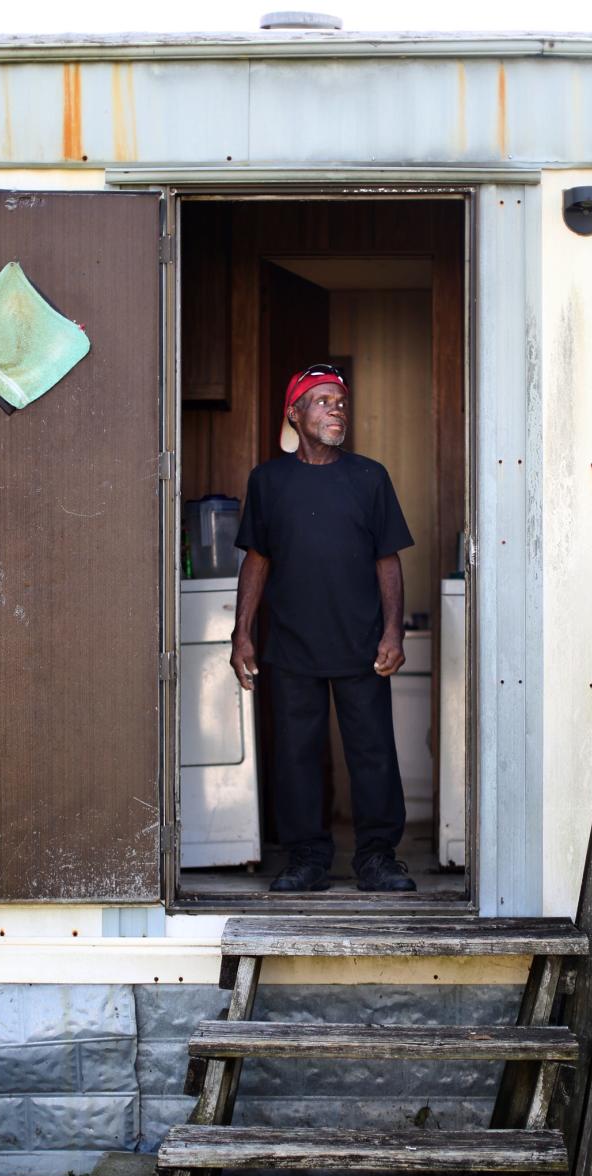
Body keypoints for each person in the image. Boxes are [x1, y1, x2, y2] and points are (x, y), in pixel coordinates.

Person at [230, 362, 416, 894]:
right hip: (290, 645)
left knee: (374, 752)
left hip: (360, 644)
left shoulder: (368, 477)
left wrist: (392, 632)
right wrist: (242, 632)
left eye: (341, 401)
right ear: (295, 413)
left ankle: (377, 858)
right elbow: (257, 560)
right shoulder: (269, 481)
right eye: (322, 400)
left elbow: (388, 560)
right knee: (295, 754)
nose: (337, 408)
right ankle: (307, 857)